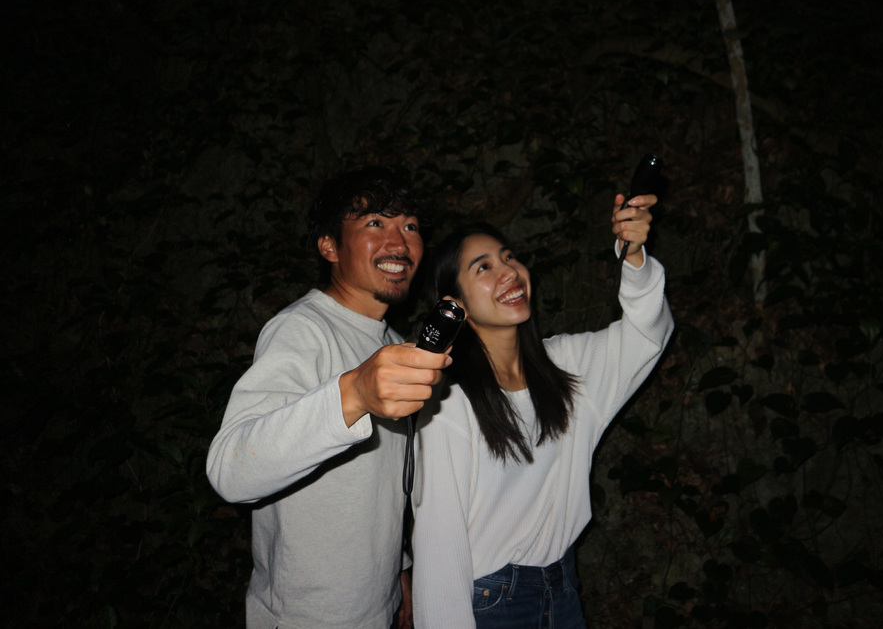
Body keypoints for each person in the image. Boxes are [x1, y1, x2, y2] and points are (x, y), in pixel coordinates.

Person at [411, 192, 674, 628]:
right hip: (489, 605)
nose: (508, 271)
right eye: (483, 268)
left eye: (508, 257)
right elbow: (439, 544)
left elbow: (649, 334)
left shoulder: (567, 366)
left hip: (564, 591)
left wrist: (634, 258)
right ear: (455, 305)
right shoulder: (448, 401)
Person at [206, 165, 451, 629]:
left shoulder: (391, 343)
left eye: (410, 226)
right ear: (329, 246)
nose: (399, 243)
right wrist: (353, 392)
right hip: (306, 617)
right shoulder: (301, 329)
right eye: (375, 222)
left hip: (375, 608)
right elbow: (230, 472)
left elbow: (379, 482)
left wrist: (398, 569)